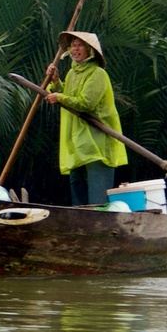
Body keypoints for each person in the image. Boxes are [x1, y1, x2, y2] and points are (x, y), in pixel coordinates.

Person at [43, 31, 128, 205]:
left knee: (97, 198)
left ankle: (99, 226)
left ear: (90, 50)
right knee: (78, 195)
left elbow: (86, 103)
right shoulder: (72, 74)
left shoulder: (98, 74)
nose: (75, 49)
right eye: (72, 45)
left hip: (97, 143)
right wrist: (56, 82)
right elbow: (70, 96)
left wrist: (59, 97)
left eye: (80, 45)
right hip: (78, 143)